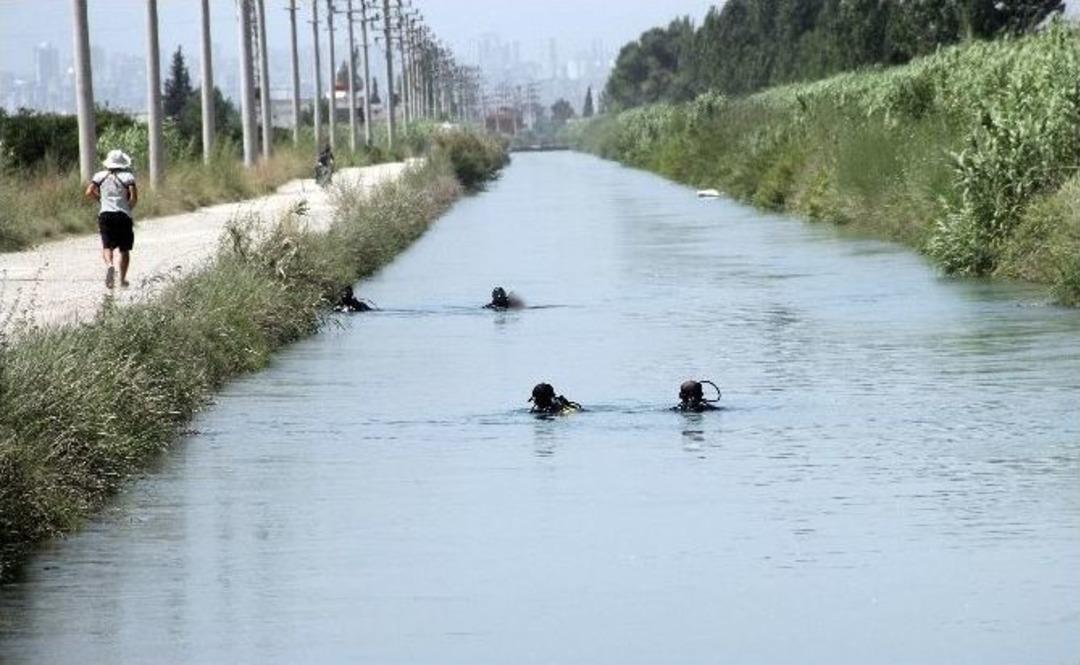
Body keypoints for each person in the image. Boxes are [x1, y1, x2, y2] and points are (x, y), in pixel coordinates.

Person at [85, 150, 138, 288]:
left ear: (108, 163)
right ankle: (122, 280)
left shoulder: (99, 176)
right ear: (122, 164)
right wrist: (128, 209)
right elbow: (133, 198)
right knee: (124, 249)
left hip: (105, 214)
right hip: (123, 215)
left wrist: (101, 200)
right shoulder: (128, 177)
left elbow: (89, 192)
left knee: (107, 246)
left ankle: (110, 265)